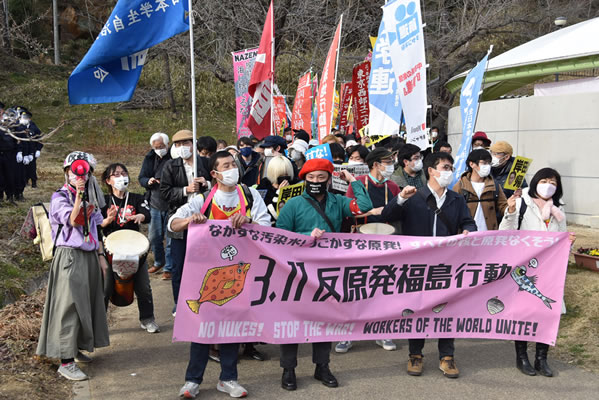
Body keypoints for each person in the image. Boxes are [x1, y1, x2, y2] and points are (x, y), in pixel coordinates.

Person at [169, 151, 271, 399]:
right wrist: (190, 220)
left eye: (232, 164)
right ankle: (192, 380)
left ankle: (228, 378)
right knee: (202, 326)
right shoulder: (202, 199)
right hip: (206, 274)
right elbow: (173, 223)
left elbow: (266, 226)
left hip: (240, 272)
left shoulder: (249, 194)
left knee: (232, 325)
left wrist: (249, 221)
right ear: (214, 174)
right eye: (225, 166)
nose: (231, 168)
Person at [276, 158, 373, 390]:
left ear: (329, 179)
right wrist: (305, 235)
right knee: (293, 321)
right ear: (304, 180)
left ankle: (322, 366)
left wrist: (353, 181)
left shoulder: (338, 201)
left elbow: (364, 206)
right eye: (311, 178)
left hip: (327, 272)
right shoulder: (293, 205)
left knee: (324, 320)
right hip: (297, 272)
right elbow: (279, 236)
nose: (316, 181)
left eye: (321, 177)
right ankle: (288, 369)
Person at [381, 152, 477, 379]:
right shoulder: (414, 196)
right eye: (445, 167)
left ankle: (447, 356)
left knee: (447, 309)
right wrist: (401, 198)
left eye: (451, 168)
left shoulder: (457, 199)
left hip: (447, 264)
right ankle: (416, 354)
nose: (449, 172)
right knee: (418, 309)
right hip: (418, 265)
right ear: (431, 171)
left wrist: (468, 231)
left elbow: (467, 222)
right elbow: (387, 214)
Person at [36, 151, 110, 381]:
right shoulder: (59, 197)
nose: (80, 175)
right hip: (69, 256)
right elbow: (73, 219)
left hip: (88, 255)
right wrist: (78, 195)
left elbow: (96, 226)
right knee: (69, 306)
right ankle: (65, 361)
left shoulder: (90, 196)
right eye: (74, 171)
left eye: (84, 172)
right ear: (66, 172)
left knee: (86, 303)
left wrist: (100, 255)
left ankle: (75, 349)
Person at [499, 167, 575, 378]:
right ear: (535, 182)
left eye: (553, 181)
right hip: (525, 267)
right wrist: (511, 211)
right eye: (544, 180)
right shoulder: (523, 202)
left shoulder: (559, 209)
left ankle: (542, 358)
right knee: (524, 312)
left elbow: (562, 239)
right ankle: (521, 357)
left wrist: (568, 242)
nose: (548, 185)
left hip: (550, 269)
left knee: (547, 313)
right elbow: (506, 233)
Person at [335, 148, 400, 353]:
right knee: (355, 287)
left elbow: (399, 212)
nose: (390, 165)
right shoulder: (358, 182)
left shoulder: (393, 186)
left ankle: (382, 331)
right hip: (360, 240)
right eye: (386, 161)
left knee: (383, 286)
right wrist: (370, 211)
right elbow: (348, 211)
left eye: (391, 161)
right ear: (375, 164)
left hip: (386, 241)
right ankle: (348, 333)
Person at [100, 163, 159, 334]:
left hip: (135, 250)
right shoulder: (103, 201)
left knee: (143, 287)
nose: (121, 177)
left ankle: (148, 319)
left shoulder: (137, 198)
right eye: (116, 174)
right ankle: (101, 324)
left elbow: (146, 214)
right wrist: (107, 221)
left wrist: (141, 215)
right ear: (108, 180)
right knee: (105, 288)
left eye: (123, 173)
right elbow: (96, 223)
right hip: (110, 250)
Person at [160, 130, 210, 314]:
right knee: (179, 265)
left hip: (205, 221)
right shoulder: (170, 166)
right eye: (178, 144)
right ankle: (179, 302)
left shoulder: (205, 163)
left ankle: (203, 300)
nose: (183, 148)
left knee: (204, 265)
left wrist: (207, 184)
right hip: (181, 222)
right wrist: (185, 190)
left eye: (186, 143)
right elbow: (164, 193)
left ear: (193, 143)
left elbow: (220, 185)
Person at [139, 132, 173, 279]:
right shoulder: (150, 157)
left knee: (171, 237)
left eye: (161, 146)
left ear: (167, 145)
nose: (159, 149)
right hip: (154, 202)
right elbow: (141, 177)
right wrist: (149, 181)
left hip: (171, 203)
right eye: (156, 147)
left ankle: (169, 267)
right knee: (154, 237)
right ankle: (159, 261)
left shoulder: (174, 156)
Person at [452, 149, 508, 231]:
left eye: (489, 163)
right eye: (484, 163)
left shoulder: (494, 185)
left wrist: (510, 208)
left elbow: (503, 206)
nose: (487, 166)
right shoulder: (460, 186)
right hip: (467, 235)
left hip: (489, 235)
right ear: (472, 164)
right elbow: (453, 213)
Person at [256, 155, 294, 222]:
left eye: (286, 174)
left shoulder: (294, 184)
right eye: (280, 175)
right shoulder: (264, 187)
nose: (284, 177)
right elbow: (266, 215)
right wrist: (279, 194)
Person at [18, 111, 43, 188]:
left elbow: (40, 138)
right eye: (23, 117)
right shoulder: (19, 127)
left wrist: (38, 149)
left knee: (32, 168)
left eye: (26, 117)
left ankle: (34, 182)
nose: (24, 119)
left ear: (29, 118)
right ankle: (24, 181)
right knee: (23, 168)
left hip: (32, 151)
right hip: (23, 151)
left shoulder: (34, 127)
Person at [0, 107, 19, 205]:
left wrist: (18, 152)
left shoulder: (10, 125)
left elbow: (17, 140)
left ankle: (10, 197)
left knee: (10, 176)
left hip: (9, 154)